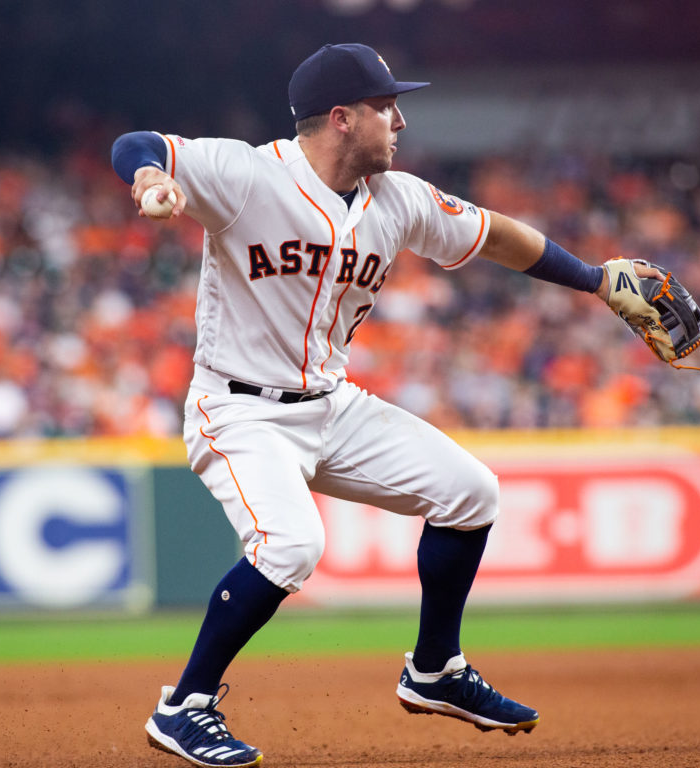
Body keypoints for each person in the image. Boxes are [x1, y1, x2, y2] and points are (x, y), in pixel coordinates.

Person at [111, 43, 662, 768]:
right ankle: (184, 707)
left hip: (330, 403)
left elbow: (496, 235)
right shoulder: (247, 174)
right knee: (291, 548)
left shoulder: (398, 199)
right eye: (386, 107)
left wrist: (593, 280)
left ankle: (435, 670)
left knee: (471, 492)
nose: (399, 121)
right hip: (239, 409)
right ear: (342, 118)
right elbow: (137, 143)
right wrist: (151, 176)